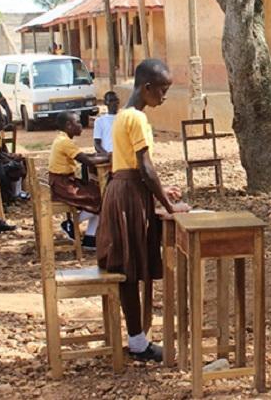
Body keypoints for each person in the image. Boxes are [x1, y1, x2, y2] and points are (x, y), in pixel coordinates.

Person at [97, 59, 188, 362]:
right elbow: (145, 168)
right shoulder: (137, 119)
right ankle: (137, 343)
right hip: (128, 197)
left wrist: (162, 191)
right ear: (147, 88)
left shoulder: (124, 115)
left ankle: (137, 338)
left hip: (123, 190)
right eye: (162, 90)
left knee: (128, 269)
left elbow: (136, 170)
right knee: (128, 271)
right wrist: (168, 205)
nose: (164, 96)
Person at [49, 112, 110, 250]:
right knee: (101, 198)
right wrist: (109, 157)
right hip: (62, 185)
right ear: (68, 125)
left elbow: (83, 156)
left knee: (100, 195)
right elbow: (87, 161)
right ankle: (70, 224)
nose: (81, 126)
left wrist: (100, 155)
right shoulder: (64, 142)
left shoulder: (64, 139)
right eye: (78, 122)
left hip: (64, 181)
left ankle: (90, 239)